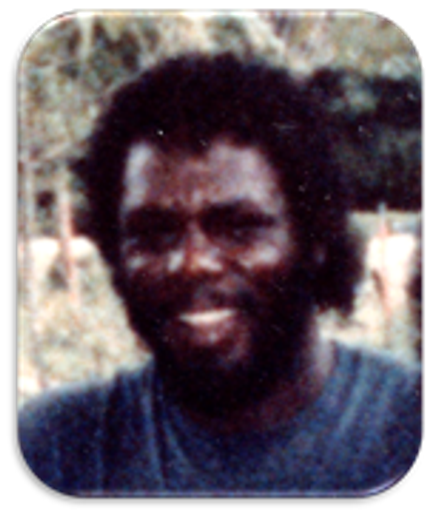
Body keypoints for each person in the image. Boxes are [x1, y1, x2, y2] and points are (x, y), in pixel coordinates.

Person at [18, 53, 423, 496]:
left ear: (315, 241)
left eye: (239, 229)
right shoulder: (60, 448)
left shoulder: (405, 425)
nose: (193, 263)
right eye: (154, 234)